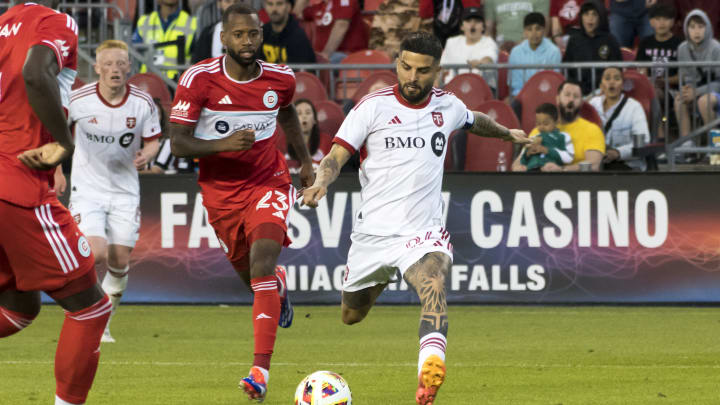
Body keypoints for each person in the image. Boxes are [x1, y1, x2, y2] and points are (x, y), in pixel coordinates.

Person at [301, 31, 530, 405]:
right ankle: (383, 278)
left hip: (422, 234)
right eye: (405, 67)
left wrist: (507, 134)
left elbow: (475, 120)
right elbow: (334, 157)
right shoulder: (371, 108)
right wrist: (322, 183)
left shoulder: (448, 106)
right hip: (372, 236)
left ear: (436, 71)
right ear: (397, 64)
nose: (412, 77)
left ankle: (430, 369)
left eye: (422, 71)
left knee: (433, 282)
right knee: (351, 314)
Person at [168, 5, 315, 401]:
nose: (247, 42)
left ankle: (260, 371)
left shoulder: (280, 79)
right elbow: (178, 142)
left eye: (253, 34)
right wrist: (222, 145)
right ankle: (277, 290)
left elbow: (286, 116)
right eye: (239, 35)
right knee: (255, 281)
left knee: (263, 263)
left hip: (268, 182)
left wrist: (303, 161)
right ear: (224, 38)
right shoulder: (199, 80)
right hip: (221, 195)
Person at [0, 2, 111, 405]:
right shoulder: (52, 21)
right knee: (91, 307)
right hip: (17, 184)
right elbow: (35, 72)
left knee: (19, 306)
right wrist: (63, 144)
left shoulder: (3, 25)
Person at [60, 39, 161, 344]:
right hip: (87, 188)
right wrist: (54, 171)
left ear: (129, 67)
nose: (115, 69)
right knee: (96, 252)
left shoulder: (143, 103)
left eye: (121, 63)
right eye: (109, 64)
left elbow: (154, 139)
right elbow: (56, 132)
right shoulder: (79, 99)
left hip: (124, 191)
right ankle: (86, 313)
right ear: (97, 68)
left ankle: (103, 323)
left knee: (119, 260)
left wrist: (148, 153)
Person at [533, 80, 605, 171]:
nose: (571, 99)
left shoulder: (592, 130)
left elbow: (593, 165)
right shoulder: (541, 129)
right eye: (567, 95)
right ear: (558, 99)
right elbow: (519, 163)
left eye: (576, 96)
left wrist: (562, 170)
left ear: (581, 102)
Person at [589, 67, 650, 170]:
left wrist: (618, 153)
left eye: (617, 79)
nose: (612, 82)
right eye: (607, 79)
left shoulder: (634, 107)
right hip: (597, 164)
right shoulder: (592, 104)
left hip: (626, 165)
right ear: (601, 86)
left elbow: (643, 141)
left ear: (622, 85)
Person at [674, 10, 720, 147]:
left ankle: (715, 145)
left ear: (708, 28)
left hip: (715, 91)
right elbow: (685, 77)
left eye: (701, 27)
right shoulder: (682, 48)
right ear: (686, 29)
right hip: (697, 91)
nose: (696, 31)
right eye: (692, 27)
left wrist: (697, 92)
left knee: (704, 102)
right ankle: (687, 145)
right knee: (679, 99)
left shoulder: (716, 48)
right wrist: (687, 89)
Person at [635, 2, 680, 140]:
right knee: (650, 91)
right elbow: (640, 71)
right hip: (651, 88)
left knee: (652, 91)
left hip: (674, 90)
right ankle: (658, 135)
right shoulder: (645, 43)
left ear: (672, 21)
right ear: (651, 21)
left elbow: (684, 74)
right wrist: (648, 81)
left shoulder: (679, 43)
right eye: (658, 19)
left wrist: (666, 81)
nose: (662, 23)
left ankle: (660, 136)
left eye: (666, 19)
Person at [562, 0, 621, 95]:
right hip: (578, 93)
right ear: (581, 17)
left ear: (600, 17)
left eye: (594, 14)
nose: (590, 18)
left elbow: (616, 70)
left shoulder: (610, 40)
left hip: (604, 93)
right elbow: (567, 70)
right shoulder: (574, 40)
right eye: (586, 14)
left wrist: (602, 90)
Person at [133, 0, 198, 80]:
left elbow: (196, 59)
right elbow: (135, 55)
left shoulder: (192, 23)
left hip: (177, 82)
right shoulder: (144, 22)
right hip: (148, 81)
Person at [439, 7, 499, 87]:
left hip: (478, 89)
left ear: (483, 27)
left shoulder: (489, 42)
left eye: (477, 22)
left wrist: (481, 63)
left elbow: (489, 59)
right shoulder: (452, 42)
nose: (472, 25)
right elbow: (441, 69)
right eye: (468, 21)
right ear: (462, 26)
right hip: (452, 90)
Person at [508, 12, 562, 98]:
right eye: (529, 29)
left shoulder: (554, 51)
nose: (534, 33)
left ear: (544, 30)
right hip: (521, 95)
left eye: (538, 29)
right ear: (525, 31)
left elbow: (555, 81)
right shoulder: (515, 52)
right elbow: (515, 83)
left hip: (547, 95)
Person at [296, 0, 368, 63]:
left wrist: (325, 54)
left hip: (348, 55)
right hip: (325, 56)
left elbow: (341, 25)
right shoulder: (319, 7)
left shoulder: (344, 1)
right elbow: (295, 14)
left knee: (319, 65)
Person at [512, 103, 574, 171]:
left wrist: (546, 150)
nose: (541, 127)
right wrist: (527, 154)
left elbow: (569, 157)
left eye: (546, 124)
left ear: (556, 122)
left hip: (550, 171)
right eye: (538, 124)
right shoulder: (534, 137)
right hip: (531, 171)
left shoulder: (563, 136)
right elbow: (522, 160)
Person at [286, 99, 331, 173]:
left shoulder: (326, 141)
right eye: (299, 113)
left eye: (308, 113)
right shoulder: (281, 142)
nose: (304, 116)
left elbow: (333, 168)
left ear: (314, 120)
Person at [483, 0, 550, 45]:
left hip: (530, 45)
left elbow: (543, 26)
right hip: (501, 47)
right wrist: (491, 48)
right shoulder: (490, 1)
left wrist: (524, 46)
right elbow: (488, 28)